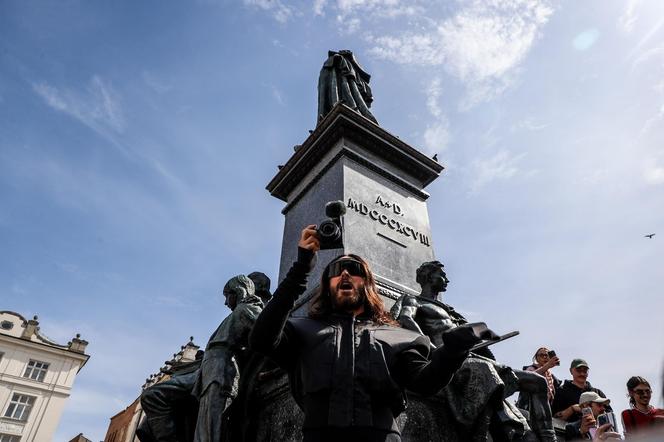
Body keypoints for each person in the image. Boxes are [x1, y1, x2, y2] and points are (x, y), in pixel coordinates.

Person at [250, 225, 498, 442]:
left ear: (367, 284)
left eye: (354, 269)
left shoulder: (400, 336)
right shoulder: (301, 329)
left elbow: (425, 383)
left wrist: (454, 348)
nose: (344, 273)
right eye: (336, 270)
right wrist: (301, 268)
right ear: (327, 286)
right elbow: (261, 339)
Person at [393, 260, 556, 441]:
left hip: (471, 358)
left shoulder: (451, 312)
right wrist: (432, 350)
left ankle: (548, 438)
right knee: (486, 376)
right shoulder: (413, 300)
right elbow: (406, 320)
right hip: (446, 361)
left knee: (538, 382)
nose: (446, 278)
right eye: (441, 274)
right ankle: (511, 430)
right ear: (429, 277)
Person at [191, 275, 264, 442]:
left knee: (213, 428)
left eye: (227, 295)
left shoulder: (246, 309)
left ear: (239, 291)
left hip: (221, 371)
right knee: (207, 428)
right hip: (213, 372)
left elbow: (267, 332)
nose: (225, 302)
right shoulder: (239, 312)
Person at [552, 359, 611, 423]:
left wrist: (597, 412)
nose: (582, 373)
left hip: (597, 432)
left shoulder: (598, 393)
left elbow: (610, 416)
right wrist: (572, 409)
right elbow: (553, 419)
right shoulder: (561, 392)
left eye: (585, 371)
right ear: (571, 371)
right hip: (568, 432)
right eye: (578, 370)